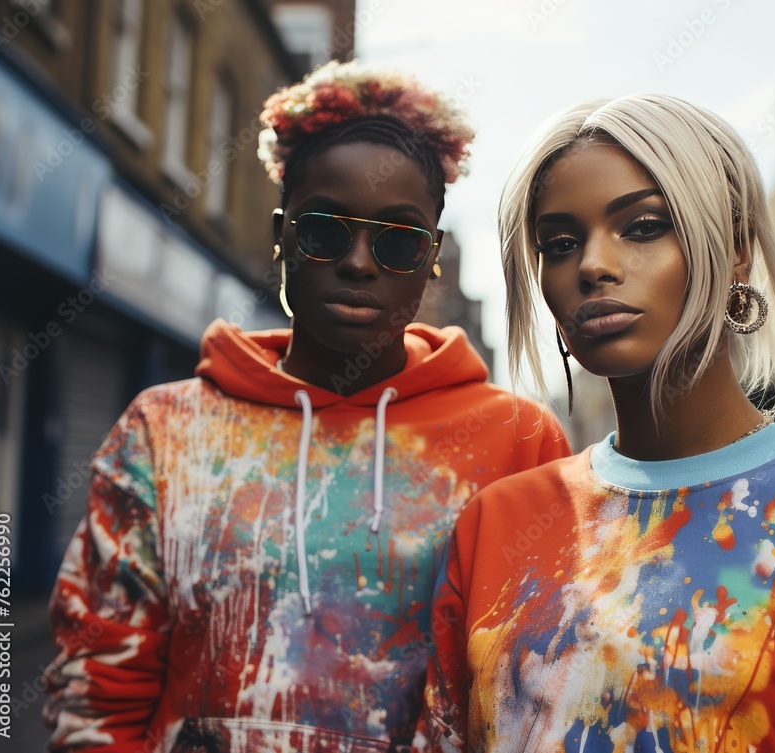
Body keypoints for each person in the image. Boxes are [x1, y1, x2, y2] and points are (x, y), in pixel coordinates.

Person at [417, 94, 775, 752]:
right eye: (560, 242)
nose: (593, 264)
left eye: (644, 225)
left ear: (737, 251)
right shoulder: (496, 525)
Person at [42, 60, 570, 753]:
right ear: (281, 232)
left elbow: (538, 697)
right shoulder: (163, 431)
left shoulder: (519, 442)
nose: (358, 261)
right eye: (324, 230)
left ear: (432, 257)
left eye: (398, 240)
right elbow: (97, 688)